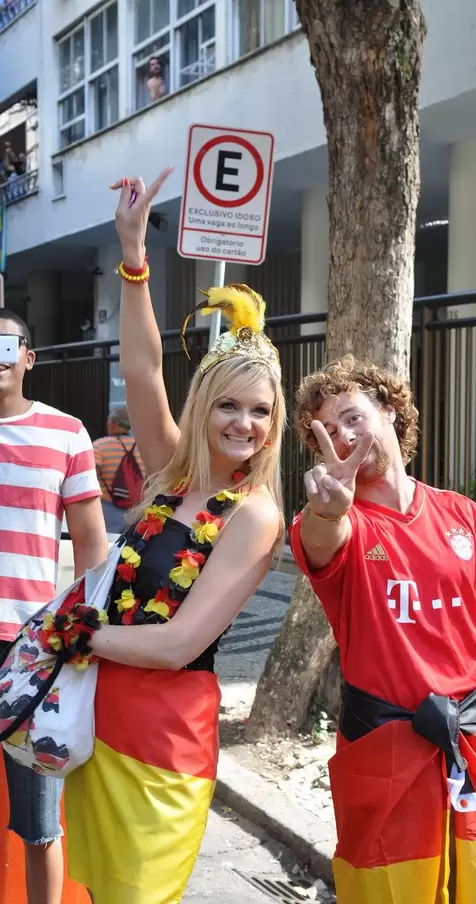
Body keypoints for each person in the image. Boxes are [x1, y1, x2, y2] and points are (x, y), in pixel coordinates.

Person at [61, 169, 286, 903]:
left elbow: (180, 644)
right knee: (92, 891)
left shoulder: (254, 514)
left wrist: (77, 634)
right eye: (227, 405)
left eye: (259, 410)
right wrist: (133, 257)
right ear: (202, 408)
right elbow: (142, 365)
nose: (242, 424)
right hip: (98, 720)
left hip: (166, 745)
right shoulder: (169, 476)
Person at [288, 356, 476, 904]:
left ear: (389, 410)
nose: (343, 437)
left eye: (351, 417)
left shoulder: (462, 515)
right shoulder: (336, 521)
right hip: (384, 750)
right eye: (327, 432)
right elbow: (323, 541)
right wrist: (327, 512)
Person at [0, 309, 107, 904]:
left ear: (27, 358)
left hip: (31, 649)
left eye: (5, 344)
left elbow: (91, 544)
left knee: (40, 819)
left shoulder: (65, 433)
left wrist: (83, 634)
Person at [93, 407, 145, 535]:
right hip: (136, 510)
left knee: (108, 550)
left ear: (113, 423)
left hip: (107, 510)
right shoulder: (142, 448)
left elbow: (90, 477)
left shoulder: (99, 446)